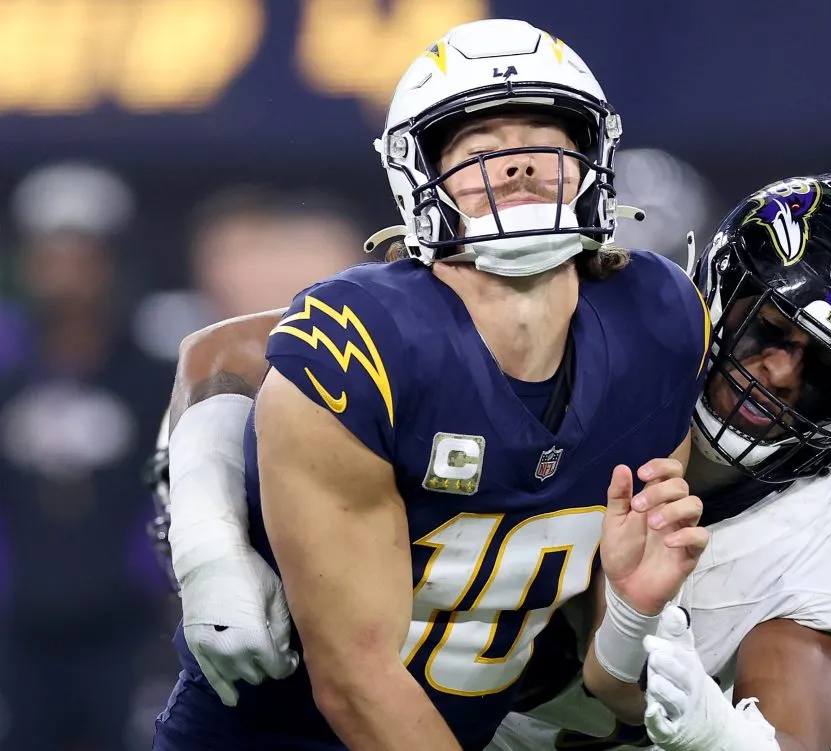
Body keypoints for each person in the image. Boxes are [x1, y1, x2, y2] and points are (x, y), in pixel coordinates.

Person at [151, 18, 711, 751]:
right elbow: (356, 679)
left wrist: (633, 620)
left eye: (543, 141)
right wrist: (207, 542)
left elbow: (615, 682)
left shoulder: (659, 320)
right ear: (419, 179)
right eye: (481, 152)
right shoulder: (368, 339)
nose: (517, 167)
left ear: (592, 158)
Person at [489, 173, 831, 751]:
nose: (780, 374)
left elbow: (790, 737)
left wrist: (716, 732)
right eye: (769, 332)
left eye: (825, 371)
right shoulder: (585, 355)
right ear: (721, 291)